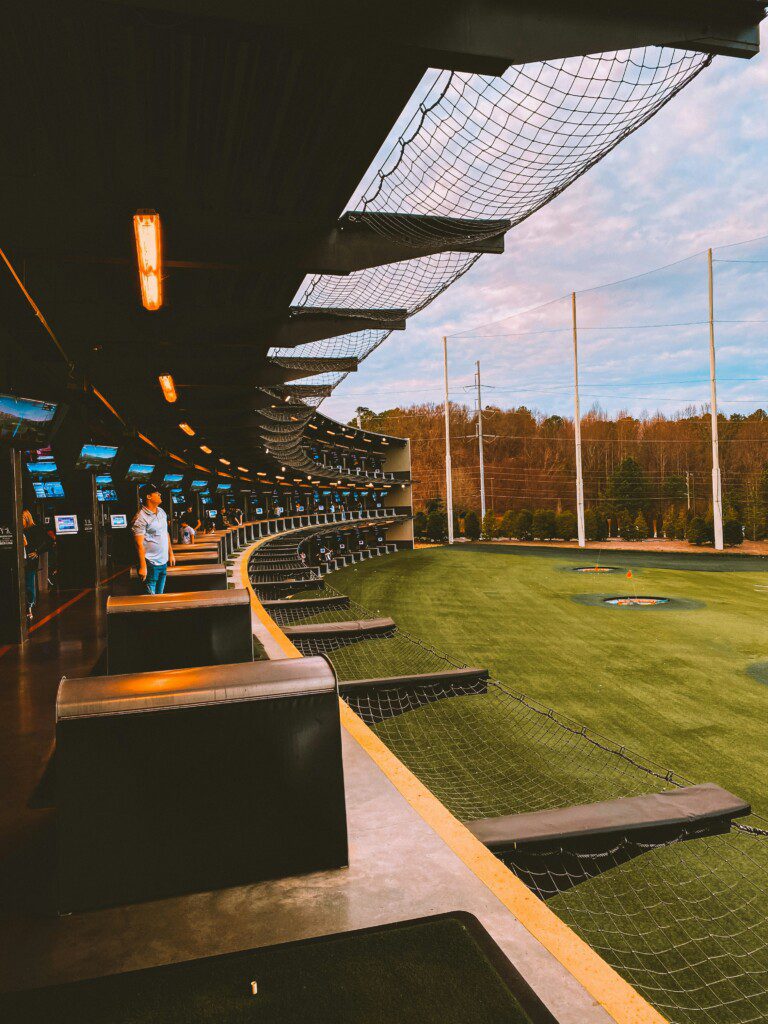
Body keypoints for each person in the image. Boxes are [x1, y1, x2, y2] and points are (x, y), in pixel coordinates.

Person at [132, 483, 175, 594]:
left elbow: (165, 533)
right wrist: (143, 566)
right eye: (156, 493)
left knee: (159, 597)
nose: (160, 494)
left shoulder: (162, 512)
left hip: (163, 561)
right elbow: (139, 544)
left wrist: (171, 553)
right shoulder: (140, 517)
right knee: (151, 599)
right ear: (148, 496)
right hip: (150, 563)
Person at [22, 509, 48, 621]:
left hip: (30, 560)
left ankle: (30, 608)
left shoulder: (34, 529)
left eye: (22, 518)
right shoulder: (19, 530)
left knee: (29, 584)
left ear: (27, 518)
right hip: (22, 559)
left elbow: (46, 542)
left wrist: (37, 552)